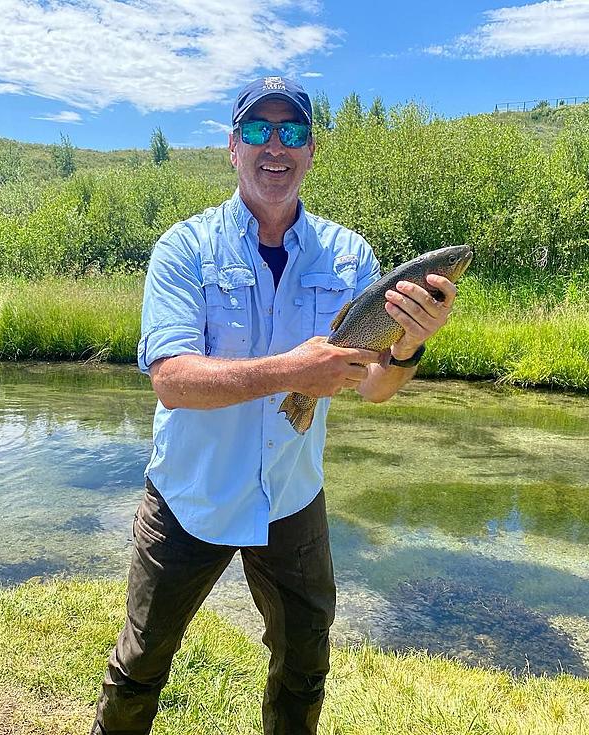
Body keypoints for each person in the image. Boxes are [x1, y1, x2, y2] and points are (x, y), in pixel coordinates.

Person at [91, 76, 458, 735]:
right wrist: (294, 369)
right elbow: (172, 379)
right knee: (141, 663)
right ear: (232, 147)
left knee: (303, 664)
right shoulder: (185, 248)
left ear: (312, 151)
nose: (275, 146)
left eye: (292, 132)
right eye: (258, 130)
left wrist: (408, 348)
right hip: (190, 493)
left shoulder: (350, 257)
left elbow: (374, 385)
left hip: (291, 494)